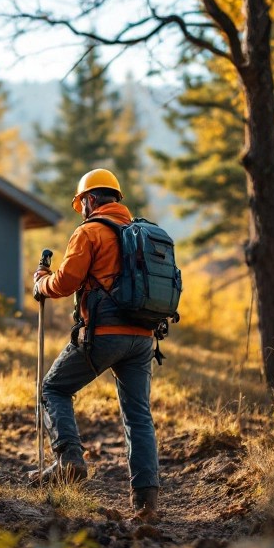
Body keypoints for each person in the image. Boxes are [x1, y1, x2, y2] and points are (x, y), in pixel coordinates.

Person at [30, 168, 160, 520]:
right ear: (115, 199)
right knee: (138, 415)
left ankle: (68, 458)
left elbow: (65, 282)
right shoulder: (141, 234)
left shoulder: (89, 232)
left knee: (52, 388)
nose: (82, 209)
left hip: (104, 334)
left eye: (81, 202)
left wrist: (41, 284)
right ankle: (146, 501)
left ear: (89, 200)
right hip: (143, 337)